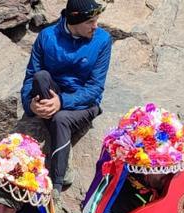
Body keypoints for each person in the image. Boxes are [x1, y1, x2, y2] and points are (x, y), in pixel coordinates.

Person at [19, 0, 113, 191]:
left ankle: (57, 187)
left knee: (60, 119)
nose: (96, 26)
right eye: (90, 22)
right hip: (54, 93)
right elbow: (30, 78)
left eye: (97, 20)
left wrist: (62, 102)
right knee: (41, 76)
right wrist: (30, 105)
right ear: (73, 21)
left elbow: (95, 88)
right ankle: (60, 134)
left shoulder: (102, 40)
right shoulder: (47, 37)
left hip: (85, 103)